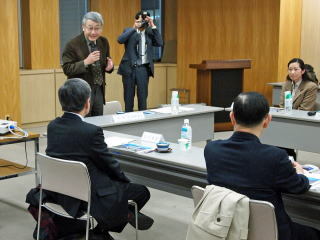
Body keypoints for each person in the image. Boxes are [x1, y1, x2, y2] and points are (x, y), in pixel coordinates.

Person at [45, 78, 153, 240]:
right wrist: (124, 181)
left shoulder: (52, 126)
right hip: (86, 195)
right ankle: (102, 229)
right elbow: (109, 164)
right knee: (142, 191)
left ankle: (120, 216)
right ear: (87, 103)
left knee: (116, 186)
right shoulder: (91, 131)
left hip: (61, 192)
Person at [204, 92, 320, 240]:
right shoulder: (275, 157)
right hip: (272, 232)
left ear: (232, 117)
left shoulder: (212, 149)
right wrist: (300, 172)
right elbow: (298, 187)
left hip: (226, 226)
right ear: (267, 120)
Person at [62, 12, 114, 117]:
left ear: (101, 28)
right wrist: (86, 62)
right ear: (83, 27)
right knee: (83, 123)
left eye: (97, 28)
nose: (93, 32)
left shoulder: (103, 42)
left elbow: (106, 62)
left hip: (99, 89)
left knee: (99, 121)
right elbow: (67, 69)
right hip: (80, 91)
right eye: (90, 28)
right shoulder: (72, 44)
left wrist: (110, 67)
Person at [117, 10, 163, 112]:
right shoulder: (129, 31)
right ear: (135, 20)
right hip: (129, 69)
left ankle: (142, 123)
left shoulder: (150, 33)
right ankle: (128, 121)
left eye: (143, 21)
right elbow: (120, 40)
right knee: (128, 99)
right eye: (139, 20)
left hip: (143, 69)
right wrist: (135, 27)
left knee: (143, 99)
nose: (141, 23)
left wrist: (152, 25)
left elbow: (160, 43)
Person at [279, 58, 318, 159]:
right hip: (286, 119)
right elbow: (282, 105)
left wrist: (288, 113)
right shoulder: (286, 84)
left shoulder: (310, 86)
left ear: (303, 71)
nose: (292, 72)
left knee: (282, 137)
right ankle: (286, 157)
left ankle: (289, 157)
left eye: (296, 69)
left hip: (301, 121)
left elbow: (304, 110)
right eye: (290, 69)